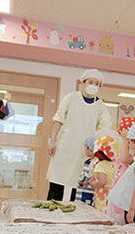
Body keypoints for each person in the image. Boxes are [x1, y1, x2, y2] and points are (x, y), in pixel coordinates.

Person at [46, 68, 112, 202]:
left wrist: (97, 151)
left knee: (76, 187)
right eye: (90, 82)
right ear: (83, 82)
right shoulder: (71, 98)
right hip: (64, 148)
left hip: (83, 153)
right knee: (56, 184)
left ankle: (70, 217)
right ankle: (50, 216)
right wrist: (52, 141)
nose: (93, 85)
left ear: (100, 87)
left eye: (97, 83)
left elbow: (106, 129)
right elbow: (58, 119)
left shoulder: (100, 106)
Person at [89, 134, 119, 215]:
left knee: (101, 215)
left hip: (103, 195)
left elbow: (102, 181)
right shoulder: (117, 164)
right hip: (114, 195)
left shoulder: (101, 165)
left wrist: (92, 184)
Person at [75, 135, 97, 206]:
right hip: (81, 190)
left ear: (90, 148)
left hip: (88, 192)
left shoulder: (95, 163)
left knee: (86, 208)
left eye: (85, 147)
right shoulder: (86, 162)